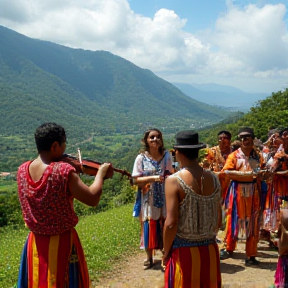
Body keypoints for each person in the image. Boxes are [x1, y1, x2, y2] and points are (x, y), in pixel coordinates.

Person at [16, 122, 110, 288]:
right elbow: (92, 198)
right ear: (55, 146)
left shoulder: (22, 170)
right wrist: (100, 175)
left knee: (37, 281)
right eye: (64, 144)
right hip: (62, 243)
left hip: (35, 242)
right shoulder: (63, 171)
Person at [163, 130, 222, 288]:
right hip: (210, 250)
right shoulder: (214, 178)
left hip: (184, 252)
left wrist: (165, 252)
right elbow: (218, 218)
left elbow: (171, 223)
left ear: (177, 153)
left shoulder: (173, 181)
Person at [220, 127, 264, 265]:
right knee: (233, 219)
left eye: (247, 137)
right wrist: (247, 175)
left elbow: (261, 173)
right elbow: (226, 172)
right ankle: (228, 247)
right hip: (237, 190)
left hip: (253, 192)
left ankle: (251, 254)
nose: (244, 140)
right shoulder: (234, 156)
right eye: (242, 137)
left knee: (253, 222)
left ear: (252, 138)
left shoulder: (257, 156)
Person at [132, 128, 173, 268]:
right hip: (148, 197)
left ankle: (165, 254)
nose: (155, 140)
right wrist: (154, 178)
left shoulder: (167, 156)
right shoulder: (141, 158)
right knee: (149, 224)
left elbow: (170, 175)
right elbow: (136, 179)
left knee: (164, 223)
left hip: (164, 194)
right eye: (152, 137)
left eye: (158, 137)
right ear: (146, 141)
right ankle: (149, 257)